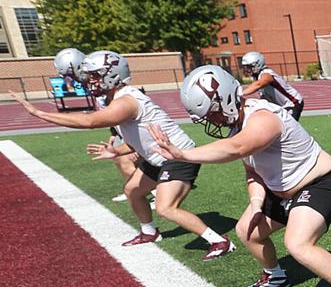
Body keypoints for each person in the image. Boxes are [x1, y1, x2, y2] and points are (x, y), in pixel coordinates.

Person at [155, 66, 331, 287]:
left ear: (225, 99)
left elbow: (238, 148)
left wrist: (184, 154)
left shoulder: (263, 116)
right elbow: (252, 171)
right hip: (280, 192)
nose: (214, 121)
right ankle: (275, 276)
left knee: (297, 244)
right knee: (247, 231)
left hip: (318, 183)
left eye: (213, 114)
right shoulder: (238, 125)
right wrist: (257, 203)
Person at [11, 50, 234, 260]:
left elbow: (90, 121)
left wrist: (39, 113)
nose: (90, 81)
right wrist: (116, 151)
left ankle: (220, 241)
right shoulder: (116, 99)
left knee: (166, 207)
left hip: (176, 156)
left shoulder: (126, 101)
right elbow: (138, 138)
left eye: (96, 76)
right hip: (158, 156)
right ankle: (150, 232)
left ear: (112, 76)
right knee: (132, 190)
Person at [54, 46, 142, 204]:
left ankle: (149, 191)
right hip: (119, 127)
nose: (71, 79)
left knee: (128, 160)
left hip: (131, 125)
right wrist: (114, 133)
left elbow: (127, 101)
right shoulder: (93, 83)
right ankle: (133, 188)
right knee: (117, 158)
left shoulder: (103, 79)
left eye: (70, 74)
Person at [240, 51, 305, 120]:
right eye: (246, 67)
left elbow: (259, 84)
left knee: (285, 127)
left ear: (258, 64)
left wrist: (241, 93)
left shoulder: (267, 73)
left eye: (249, 66)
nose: (247, 69)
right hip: (282, 106)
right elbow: (264, 97)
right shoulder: (257, 77)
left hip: (292, 103)